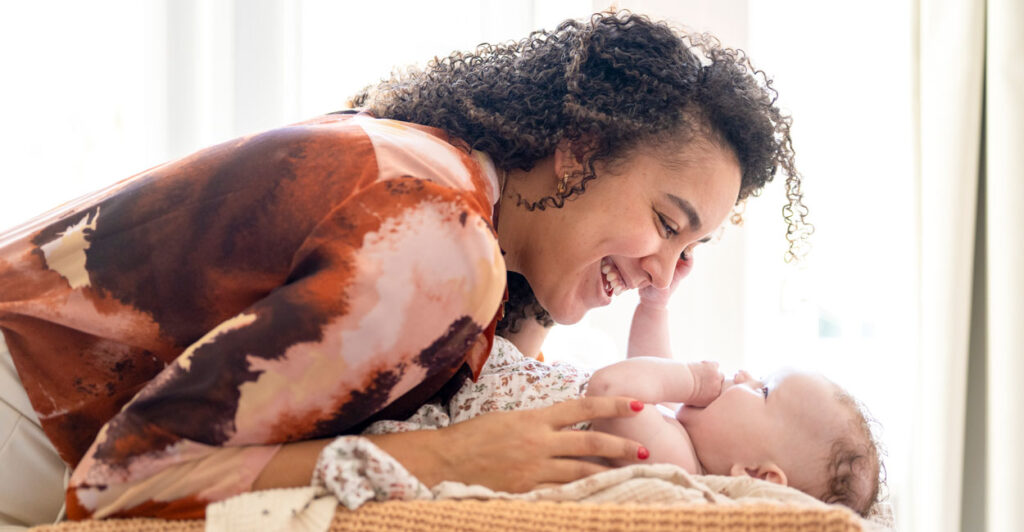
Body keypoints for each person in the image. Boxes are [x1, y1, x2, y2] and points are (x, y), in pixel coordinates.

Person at [0, 11, 807, 525]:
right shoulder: (438, 244)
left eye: (690, 254)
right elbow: (122, 483)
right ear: (580, 154)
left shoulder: (452, 201)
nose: (665, 276)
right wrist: (447, 462)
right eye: (667, 225)